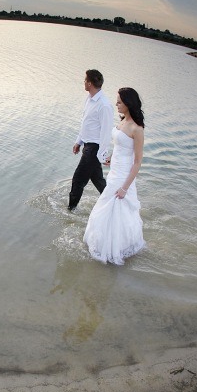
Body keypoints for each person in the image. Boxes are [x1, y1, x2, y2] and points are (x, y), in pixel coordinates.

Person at [83, 87, 146, 265]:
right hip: (114, 171)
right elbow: (120, 147)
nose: (116, 104)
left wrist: (125, 187)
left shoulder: (137, 128)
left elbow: (138, 161)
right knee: (106, 209)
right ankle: (104, 243)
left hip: (124, 176)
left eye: (119, 101)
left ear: (128, 103)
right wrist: (111, 157)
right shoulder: (123, 121)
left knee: (117, 209)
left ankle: (117, 248)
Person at [68, 69, 113, 211]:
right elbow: (86, 123)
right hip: (88, 146)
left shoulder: (104, 105)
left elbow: (106, 133)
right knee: (98, 180)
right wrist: (78, 142)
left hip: (94, 149)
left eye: (85, 80)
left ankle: (71, 210)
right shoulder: (89, 99)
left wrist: (101, 154)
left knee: (78, 179)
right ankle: (113, 204)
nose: (83, 83)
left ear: (90, 83)